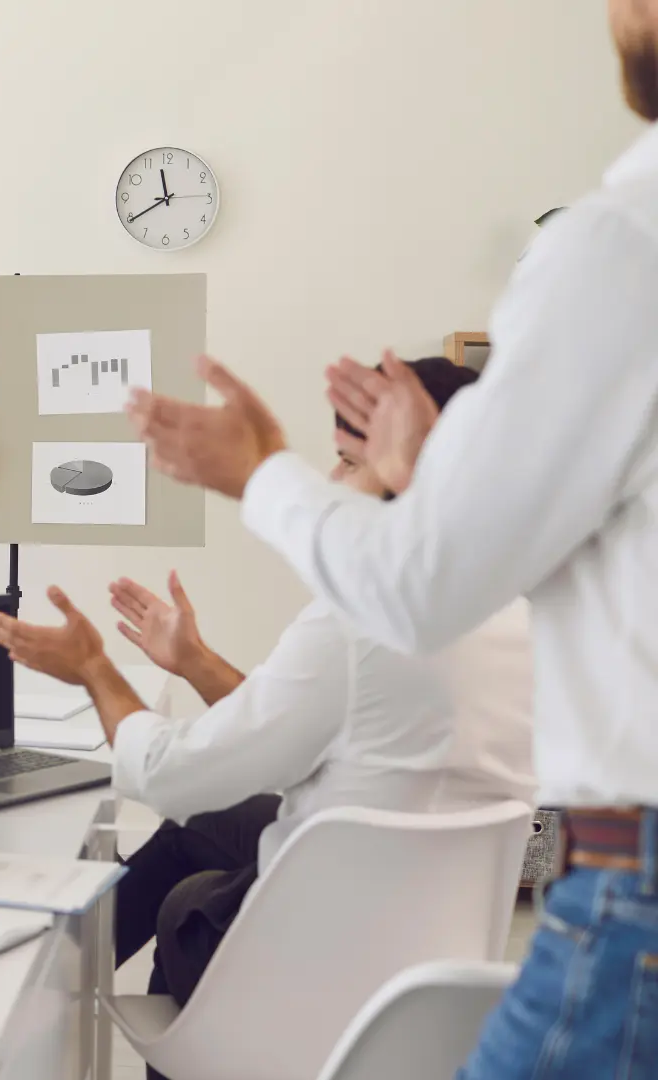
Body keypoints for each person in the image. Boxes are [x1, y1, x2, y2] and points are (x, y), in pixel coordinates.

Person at [122, 5, 658, 1073]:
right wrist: (430, 484)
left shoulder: (619, 242)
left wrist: (255, 473)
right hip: (456, 957)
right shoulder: (504, 619)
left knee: (189, 859)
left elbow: (408, 599)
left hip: (623, 891)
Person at [0, 359, 535, 1048]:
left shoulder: (360, 620)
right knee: (209, 824)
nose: (330, 482)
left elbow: (168, 774)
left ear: (410, 476)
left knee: (190, 902)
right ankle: (59, 965)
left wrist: (97, 671)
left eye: (346, 461)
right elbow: (317, 737)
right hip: (426, 940)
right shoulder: (517, 605)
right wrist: (194, 661)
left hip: (318, 957)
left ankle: (72, 995)